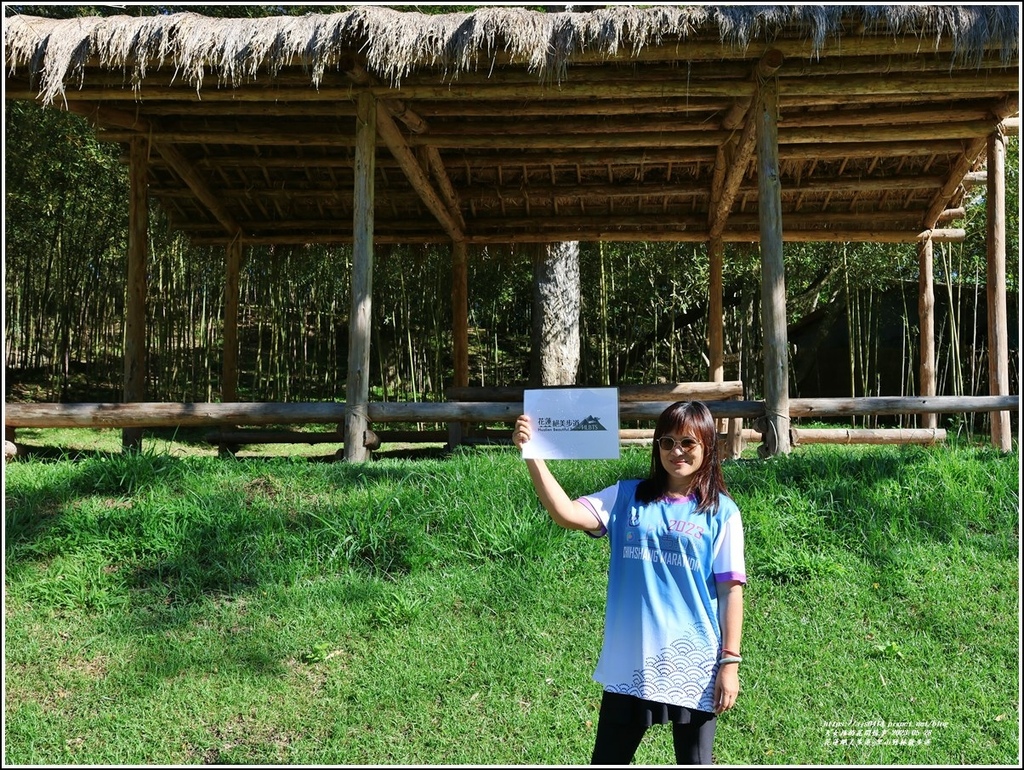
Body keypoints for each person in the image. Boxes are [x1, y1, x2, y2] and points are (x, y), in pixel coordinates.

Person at [512, 400, 745, 765]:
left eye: (688, 442)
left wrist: (729, 664)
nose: (676, 451)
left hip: (693, 661)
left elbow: (730, 591)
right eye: (666, 442)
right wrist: (532, 455)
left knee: (696, 762)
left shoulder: (721, 512)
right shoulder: (626, 496)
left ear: (707, 446)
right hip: (631, 659)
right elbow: (565, 514)